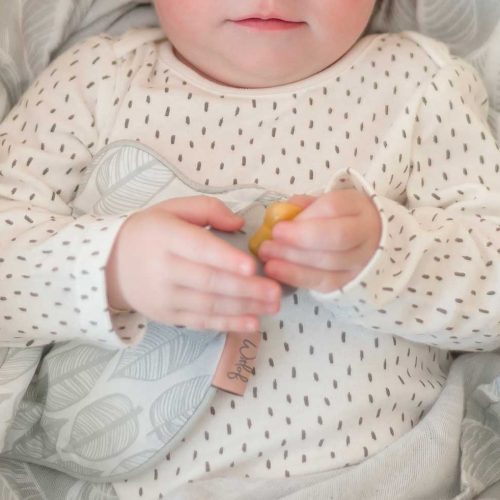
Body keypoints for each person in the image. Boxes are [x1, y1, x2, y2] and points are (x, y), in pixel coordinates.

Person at [1, 0, 500, 494]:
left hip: (375, 479)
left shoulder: (420, 81)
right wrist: (110, 267)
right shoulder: (94, 80)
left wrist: (386, 255)